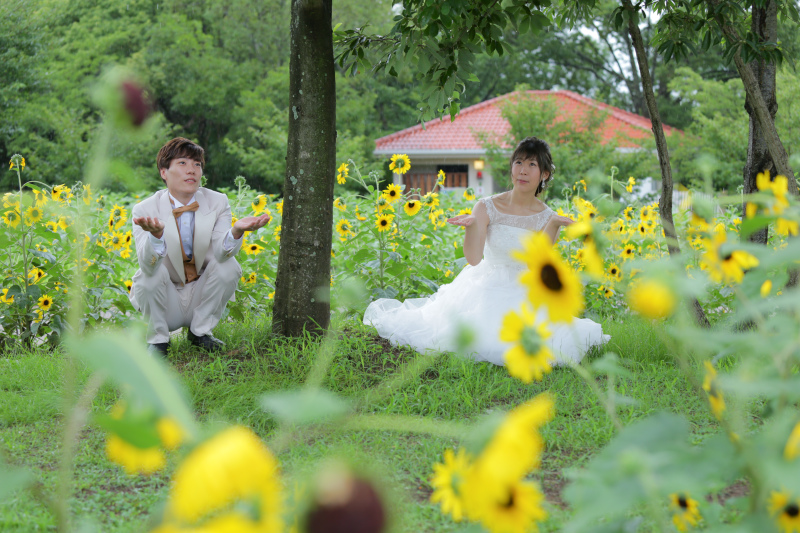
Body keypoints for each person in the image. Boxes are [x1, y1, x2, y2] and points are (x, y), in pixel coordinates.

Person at [363, 136, 609, 366]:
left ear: (543, 174)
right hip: (486, 284)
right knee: (470, 335)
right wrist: (471, 227)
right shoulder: (487, 206)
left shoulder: (547, 216)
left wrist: (554, 224)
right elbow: (473, 259)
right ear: (512, 167)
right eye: (519, 162)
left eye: (532, 164)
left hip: (526, 287)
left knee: (551, 339)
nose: (523, 170)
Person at [130, 137, 270, 355]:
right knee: (149, 275)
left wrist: (236, 231)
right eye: (183, 163)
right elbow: (147, 266)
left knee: (229, 266)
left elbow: (223, 255)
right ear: (164, 172)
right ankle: (157, 340)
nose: (192, 170)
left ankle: (201, 333)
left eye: (197, 164)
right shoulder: (144, 209)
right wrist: (156, 236)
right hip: (167, 298)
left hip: (201, 293)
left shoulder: (217, 201)